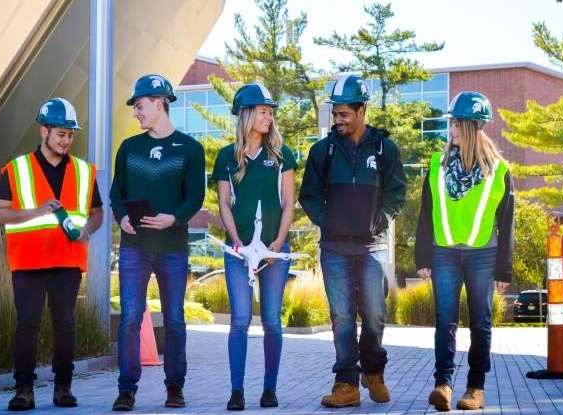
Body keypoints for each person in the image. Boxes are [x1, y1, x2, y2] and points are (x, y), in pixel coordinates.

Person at [298, 74, 407, 408]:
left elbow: (397, 192)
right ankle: (346, 383)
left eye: (344, 113)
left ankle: (373, 372)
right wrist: (328, 221)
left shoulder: (385, 148)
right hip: (334, 248)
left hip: (372, 246)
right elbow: (309, 196)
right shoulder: (322, 152)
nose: (338, 119)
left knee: (374, 312)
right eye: (335, 113)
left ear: (361, 111)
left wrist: (381, 219)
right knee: (342, 317)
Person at [0, 97, 104, 411]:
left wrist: (88, 230)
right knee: (27, 324)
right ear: (44, 131)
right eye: (61, 134)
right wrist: (37, 211)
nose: (66, 140)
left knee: (65, 324)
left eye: (71, 135)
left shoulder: (84, 171)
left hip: (67, 260)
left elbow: (97, 212)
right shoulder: (16, 169)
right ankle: (23, 390)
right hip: (27, 260)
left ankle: (63, 388)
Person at [109, 74, 205, 411]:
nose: (136, 112)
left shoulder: (190, 148)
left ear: (160, 102)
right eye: (135, 107)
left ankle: (175, 387)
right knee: (131, 317)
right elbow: (116, 195)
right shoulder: (129, 148)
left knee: (176, 319)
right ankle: (126, 389)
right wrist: (121, 217)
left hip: (173, 249)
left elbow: (196, 196)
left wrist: (173, 218)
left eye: (139, 105)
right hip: (135, 248)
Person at [414, 91, 514, 412]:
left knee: (481, 323)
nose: (451, 129)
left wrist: (504, 269)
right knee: (445, 321)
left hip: (484, 255)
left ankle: (475, 388)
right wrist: (422, 256)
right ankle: (442, 384)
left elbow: (507, 221)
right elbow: (425, 213)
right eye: (451, 123)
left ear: (471, 127)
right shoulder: (437, 165)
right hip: (443, 254)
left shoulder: (499, 171)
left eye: (456, 123)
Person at [212, 83, 297, 411]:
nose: (269, 117)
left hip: (274, 250)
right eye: (263, 111)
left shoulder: (281, 155)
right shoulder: (226, 157)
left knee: (272, 320)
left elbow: (289, 203)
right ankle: (236, 392)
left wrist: (276, 244)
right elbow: (223, 203)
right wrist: (235, 240)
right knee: (240, 320)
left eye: (271, 112)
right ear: (247, 115)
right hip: (238, 252)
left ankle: (269, 390)